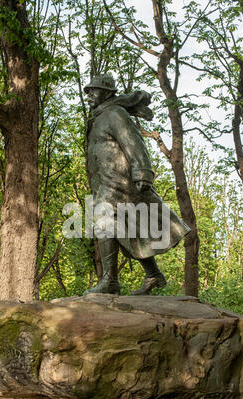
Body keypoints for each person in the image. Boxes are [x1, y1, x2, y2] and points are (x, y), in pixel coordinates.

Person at [84, 74, 190, 295]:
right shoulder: (98, 118)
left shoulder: (114, 114)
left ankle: (110, 280)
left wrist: (143, 172)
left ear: (107, 93)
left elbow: (134, 143)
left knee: (106, 220)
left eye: (94, 90)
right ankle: (153, 274)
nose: (89, 95)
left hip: (121, 182)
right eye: (88, 91)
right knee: (126, 229)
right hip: (107, 183)